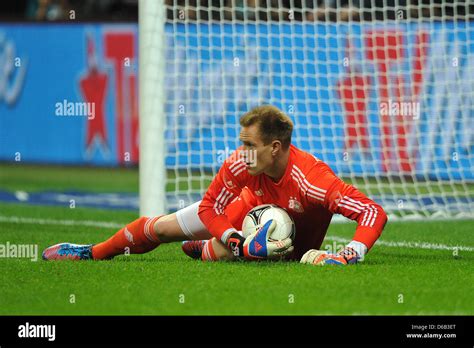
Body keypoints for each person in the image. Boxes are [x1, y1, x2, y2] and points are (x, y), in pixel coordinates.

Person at [42, 105, 387, 266]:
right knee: (161, 228)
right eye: (242, 143)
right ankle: (92, 251)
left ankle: (206, 249)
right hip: (240, 215)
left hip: (284, 246)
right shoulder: (241, 164)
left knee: (221, 254)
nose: (242, 152)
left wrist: (349, 255)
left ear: (275, 148)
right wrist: (230, 236)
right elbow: (210, 209)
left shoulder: (311, 180)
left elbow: (372, 212)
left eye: (250, 145)